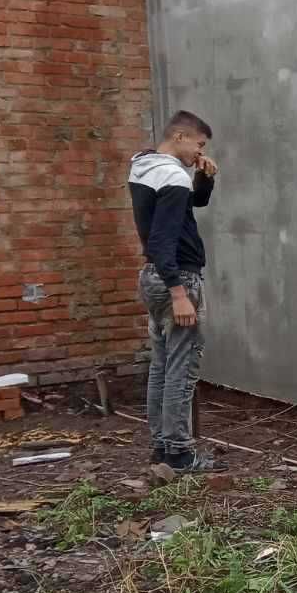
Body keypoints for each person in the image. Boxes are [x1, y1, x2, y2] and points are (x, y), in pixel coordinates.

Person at [128, 111, 222, 471]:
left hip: (152, 277)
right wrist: (180, 293)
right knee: (181, 370)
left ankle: (162, 449)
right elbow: (163, 239)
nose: (199, 151)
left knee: (163, 366)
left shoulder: (143, 165)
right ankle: (181, 455)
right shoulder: (171, 175)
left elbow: (191, 205)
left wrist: (203, 176)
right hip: (177, 277)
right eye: (198, 145)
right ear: (180, 136)